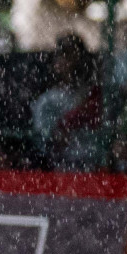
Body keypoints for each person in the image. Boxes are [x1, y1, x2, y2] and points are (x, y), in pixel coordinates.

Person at [31, 34, 102, 172]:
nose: (73, 61)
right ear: (56, 63)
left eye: (76, 55)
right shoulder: (47, 101)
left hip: (96, 168)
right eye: (66, 55)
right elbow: (46, 142)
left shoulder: (97, 94)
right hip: (64, 169)